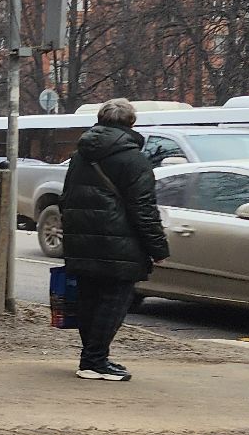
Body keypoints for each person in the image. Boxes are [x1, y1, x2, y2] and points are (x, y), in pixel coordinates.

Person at [59, 98, 170, 382]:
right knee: (114, 301)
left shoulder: (80, 154)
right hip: (119, 243)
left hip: (81, 237)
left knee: (89, 299)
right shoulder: (134, 159)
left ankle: (92, 358)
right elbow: (143, 208)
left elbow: (65, 197)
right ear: (131, 123)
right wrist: (158, 247)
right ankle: (94, 361)